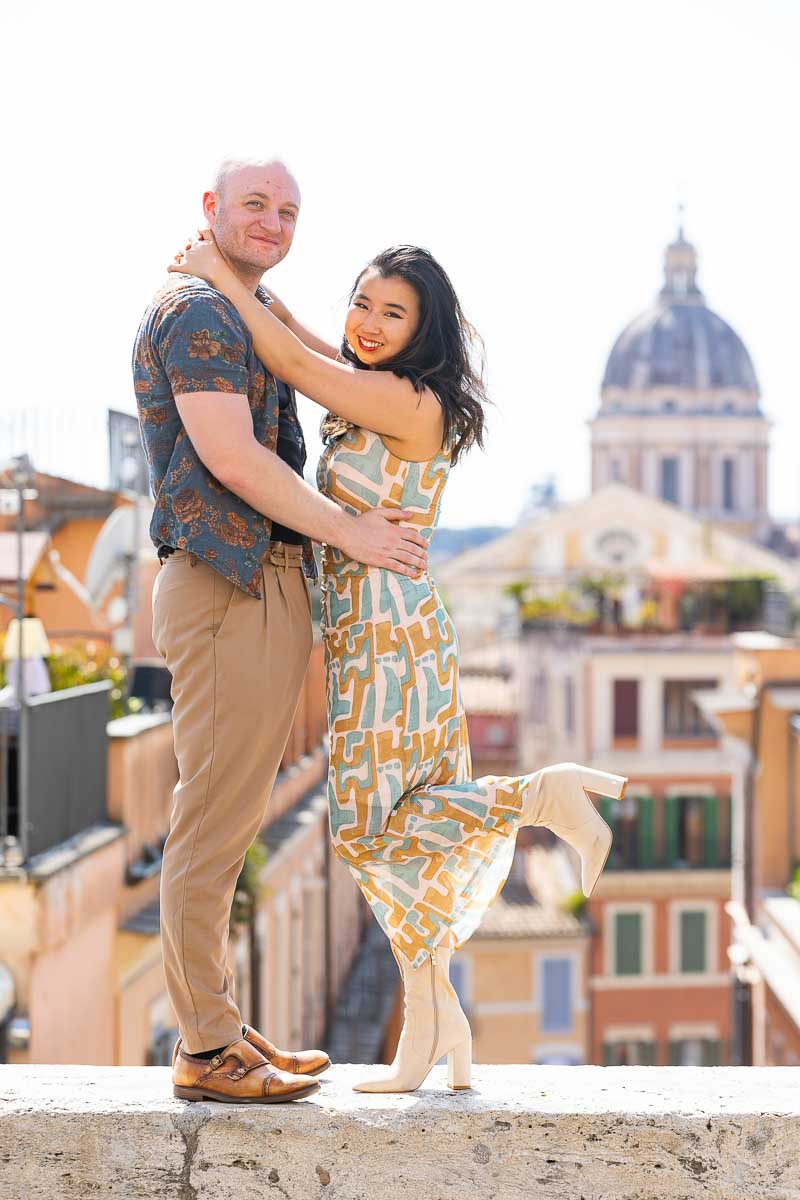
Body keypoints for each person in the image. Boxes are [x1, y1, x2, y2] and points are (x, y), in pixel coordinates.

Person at [172, 233, 628, 1095]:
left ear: (426, 331)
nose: (369, 323)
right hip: (372, 630)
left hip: (387, 629)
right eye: (363, 303)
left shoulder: (410, 401)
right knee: (401, 834)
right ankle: (433, 1028)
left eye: (394, 313)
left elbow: (295, 364)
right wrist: (251, 286)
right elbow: (309, 342)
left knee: (369, 827)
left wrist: (212, 280)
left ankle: (543, 795)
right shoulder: (380, 385)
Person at [133, 158, 429, 1105]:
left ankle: (219, 1027)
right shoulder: (201, 313)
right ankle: (207, 1047)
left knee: (225, 820)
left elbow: (308, 359)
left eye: (288, 211)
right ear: (211, 209)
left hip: (254, 587)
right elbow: (231, 455)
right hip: (229, 586)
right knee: (211, 826)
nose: (272, 221)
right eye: (253, 205)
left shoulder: (232, 305)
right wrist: (350, 534)